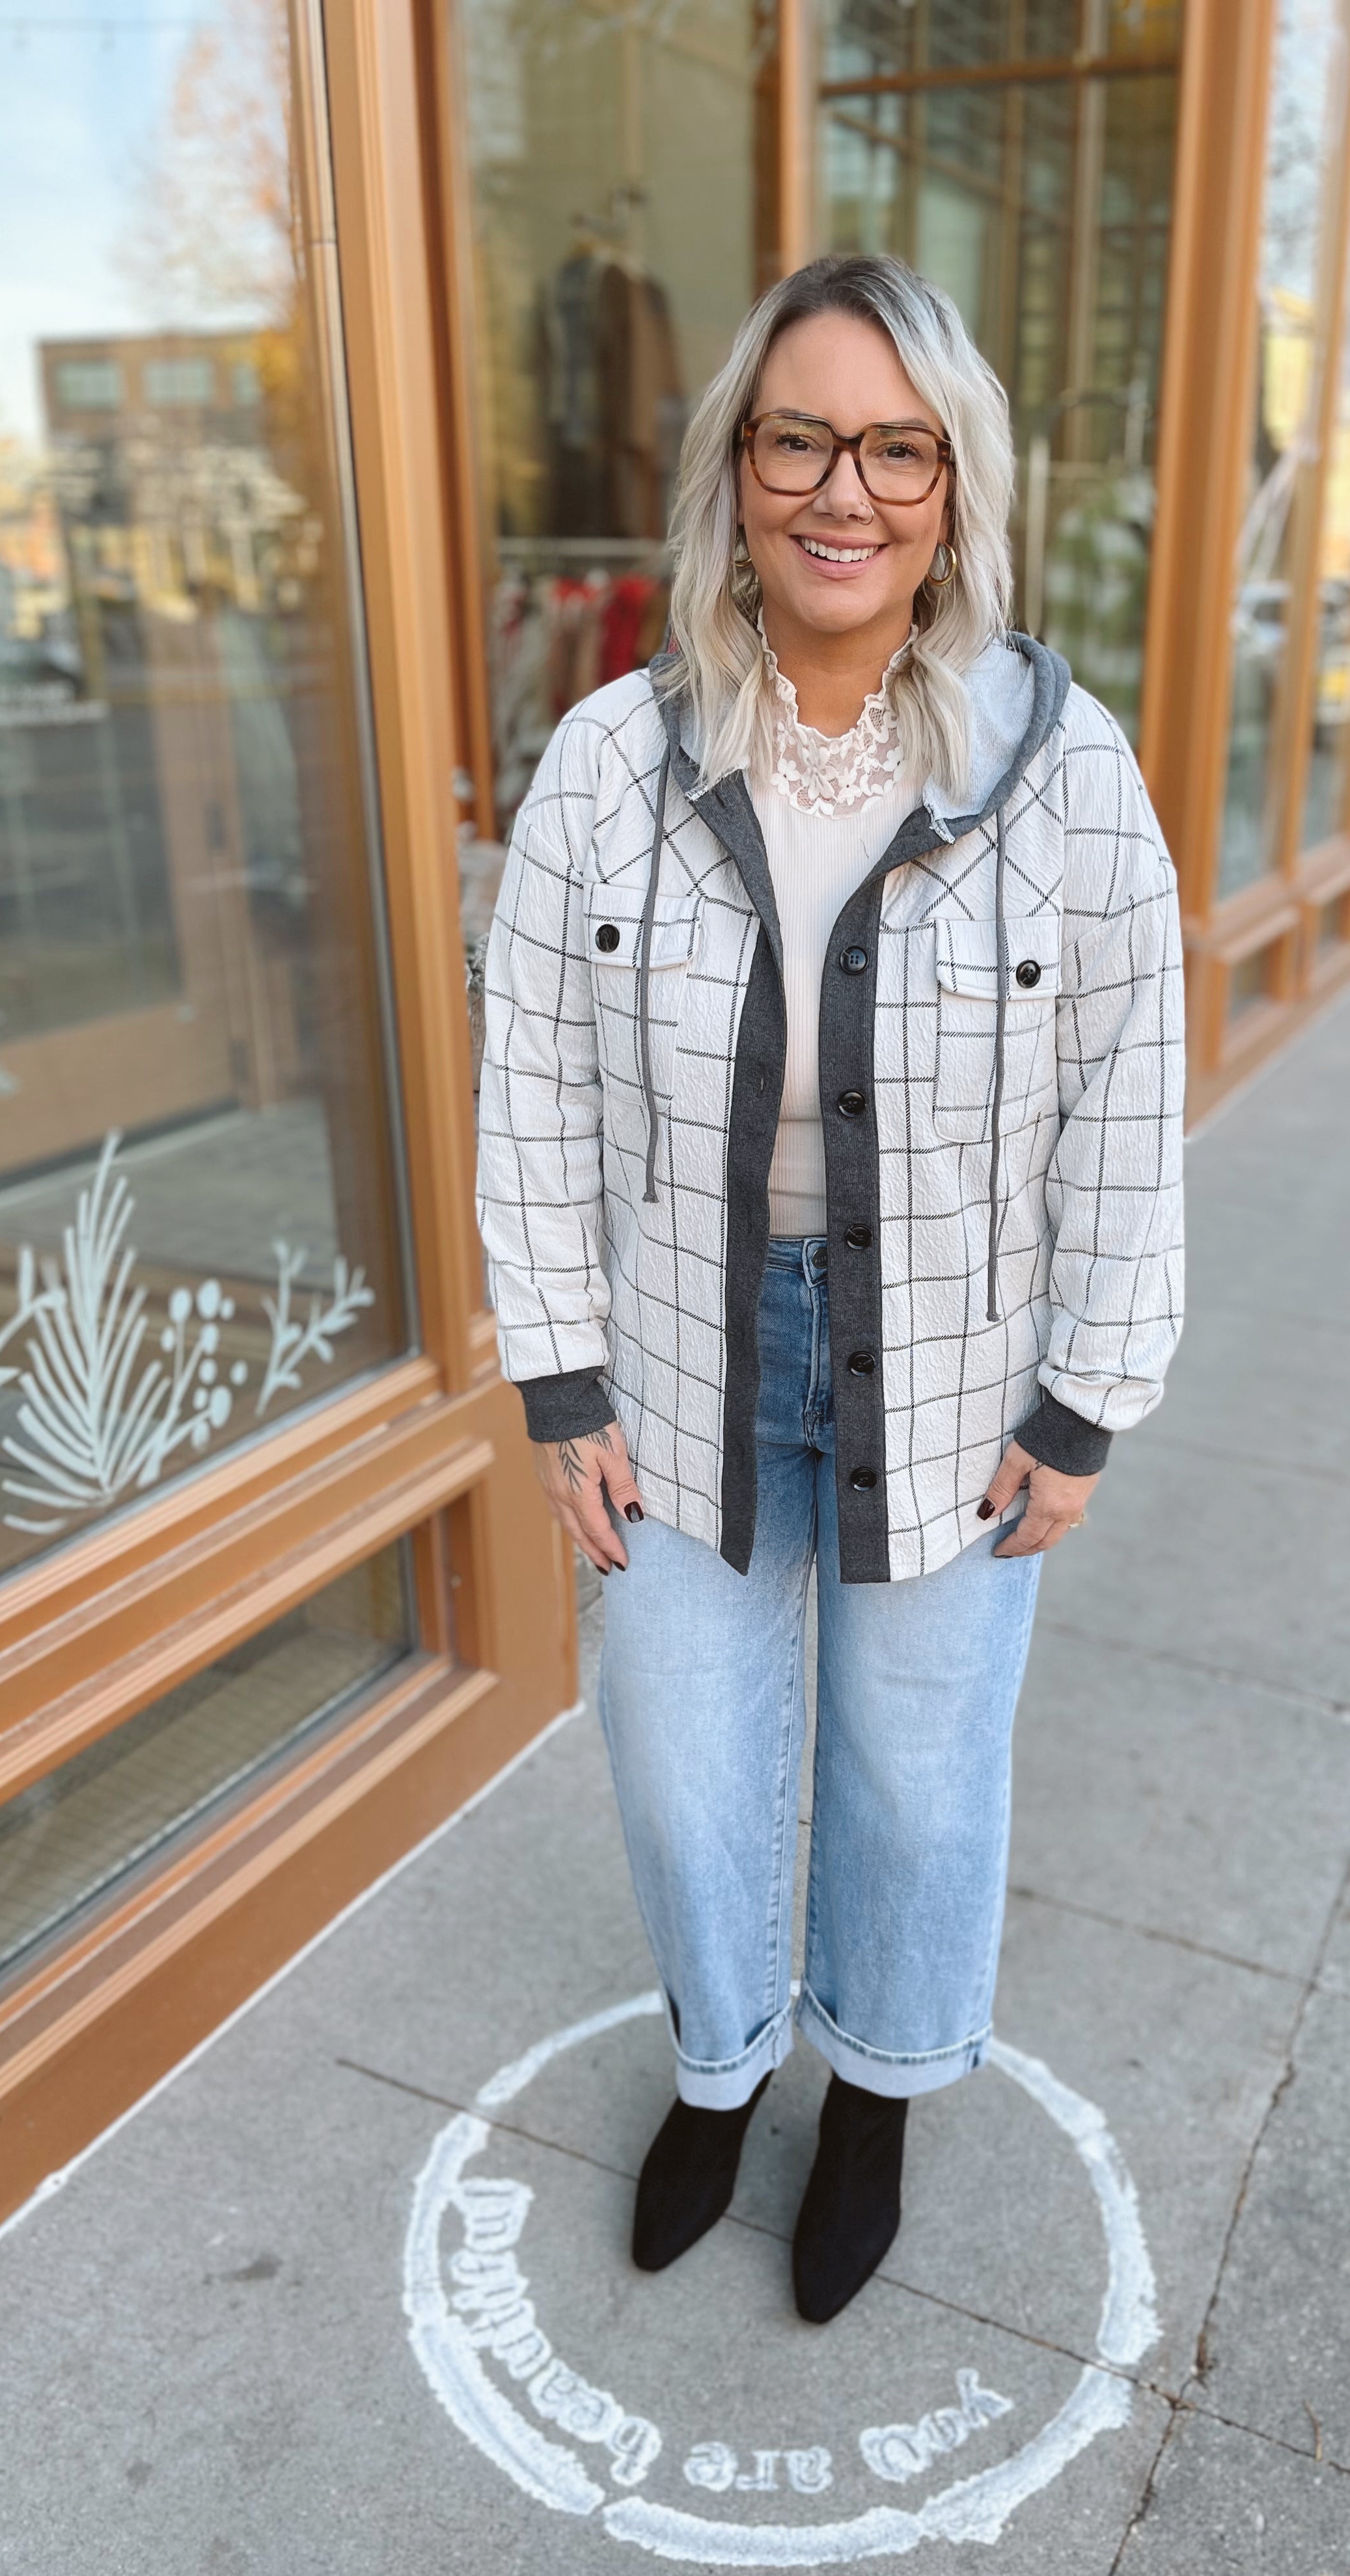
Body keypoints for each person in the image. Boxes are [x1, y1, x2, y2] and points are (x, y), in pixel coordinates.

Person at [477, 253, 1183, 2325]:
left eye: (898, 446)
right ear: (739, 470)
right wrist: (556, 1380)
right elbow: (525, 1076)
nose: (843, 491)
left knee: (916, 1759)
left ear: (952, 489)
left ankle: (872, 2089)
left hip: (953, 1368)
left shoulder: (1066, 775)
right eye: (801, 437)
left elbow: (1129, 1102)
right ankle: (722, 2067)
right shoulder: (607, 765)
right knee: (686, 1751)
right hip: (685, 1348)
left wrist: (1087, 1400)